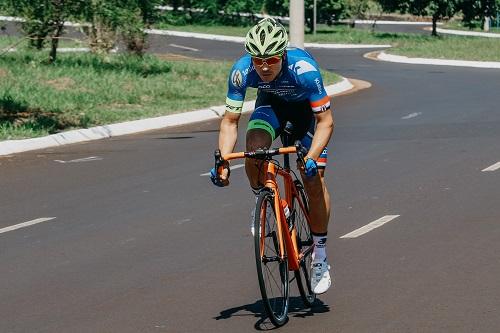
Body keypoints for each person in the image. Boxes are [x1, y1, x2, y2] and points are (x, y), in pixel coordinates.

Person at [210, 18, 334, 295]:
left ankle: (321, 256)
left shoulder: (304, 70)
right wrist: (224, 162)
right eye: (258, 60)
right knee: (254, 148)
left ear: (283, 55)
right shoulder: (242, 71)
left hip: (307, 116)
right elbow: (230, 122)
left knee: (313, 178)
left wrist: (311, 157)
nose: (264, 67)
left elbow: (326, 122)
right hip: (272, 107)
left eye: (272, 60)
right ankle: (264, 202)